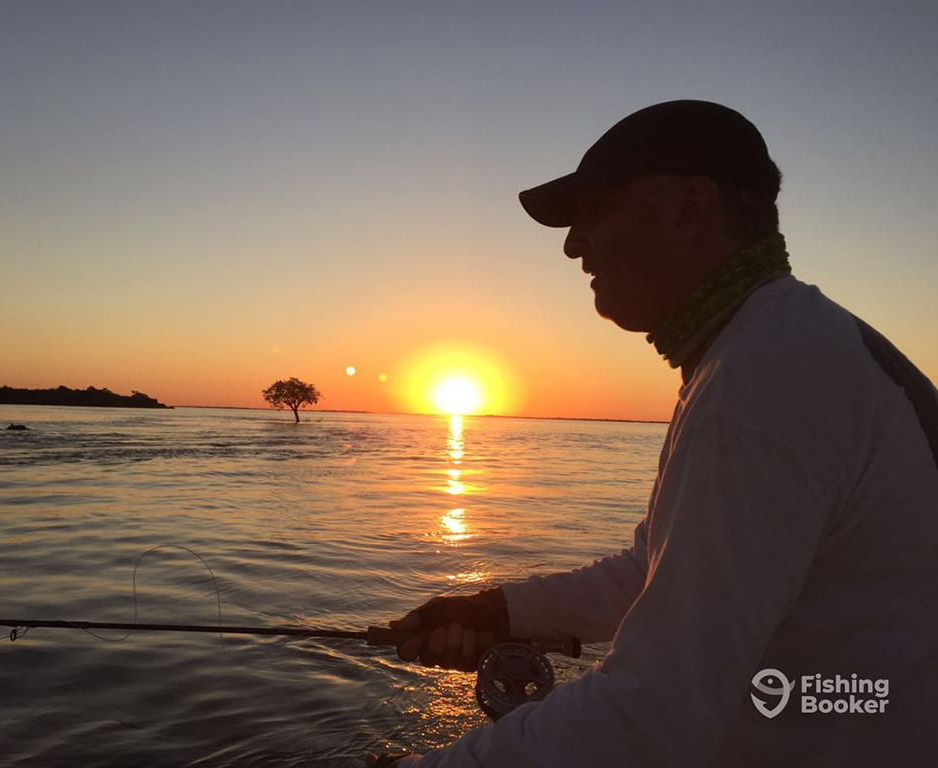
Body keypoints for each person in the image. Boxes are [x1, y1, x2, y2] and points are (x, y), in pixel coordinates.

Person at [365, 100, 938, 767]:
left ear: (691, 207)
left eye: (597, 210)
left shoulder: (763, 378)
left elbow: (653, 712)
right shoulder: (781, 345)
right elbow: (652, 572)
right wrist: (499, 611)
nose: (574, 243)